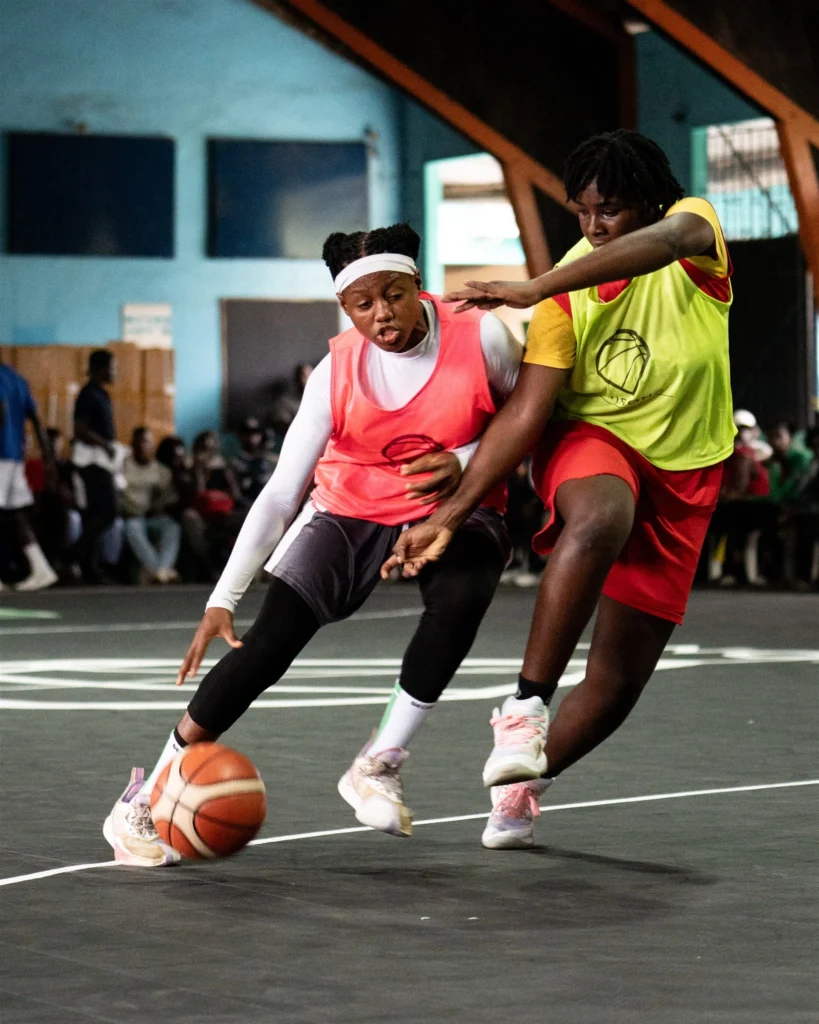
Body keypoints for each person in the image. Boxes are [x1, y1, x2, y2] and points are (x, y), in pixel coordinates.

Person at [103, 222, 522, 866]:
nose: (382, 314)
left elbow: (531, 418)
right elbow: (280, 492)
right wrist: (222, 599)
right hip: (350, 505)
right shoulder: (334, 372)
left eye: (394, 295)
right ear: (344, 307)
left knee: (463, 594)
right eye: (362, 304)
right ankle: (142, 796)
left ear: (418, 285)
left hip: (455, 502)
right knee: (267, 646)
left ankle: (379, 763)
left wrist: (465, 461)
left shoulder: (483, 335)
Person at [384, 130, 736, 849]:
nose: (593, 225)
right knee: (600, 516)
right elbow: (528, 412)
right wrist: (451, 512)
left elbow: (667, 240)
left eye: (608, 209)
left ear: (648, 198)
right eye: (581, 211)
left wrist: (538, 284)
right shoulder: (564, 291)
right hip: (592, 440)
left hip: (687, 469)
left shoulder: (693, 228)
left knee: (617, 682)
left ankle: (522, 785)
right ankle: (525, 708)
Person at [0, 356, 58, 590]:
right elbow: (36, 419)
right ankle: (41, 567)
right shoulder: (17, 380)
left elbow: (0, 412)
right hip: (15, 456)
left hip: (0, 455)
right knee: (15, 515)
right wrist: (48, 455)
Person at [72, 349, 120, 583]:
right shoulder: (88, 394)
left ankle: (88, 567)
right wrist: (105, 445)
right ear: (100, 369)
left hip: (101, 460)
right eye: (112, 367)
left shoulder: (102, 394)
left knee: (94, 516)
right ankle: (71, 555)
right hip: (92, 462)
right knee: (106, 513)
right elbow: (79, 428)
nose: (115, 372)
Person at [121, 427, 181, 584]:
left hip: (153, 517)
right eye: (139, 442)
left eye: (147, 442)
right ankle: (160, 571)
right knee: (132, 527)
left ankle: (160, 570)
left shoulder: (162, 471)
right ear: (132, 444)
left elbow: (169, 498)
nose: (143, 446)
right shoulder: (123, 466)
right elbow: (118, 494)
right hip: (132, 516)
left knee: (172, 527)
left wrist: (160, 504)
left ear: (153, 445)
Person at [231, 417, 277, 504]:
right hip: (247, 504)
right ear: (240, 435)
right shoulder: (234, 462)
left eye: (256, 432)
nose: (252, 436)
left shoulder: (272, 460)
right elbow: (235, 492)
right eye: (247, 432)